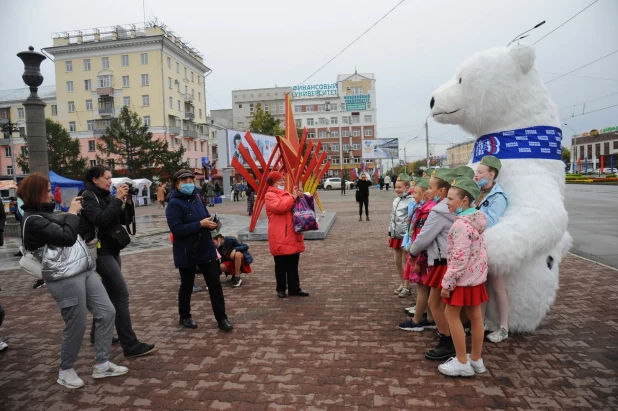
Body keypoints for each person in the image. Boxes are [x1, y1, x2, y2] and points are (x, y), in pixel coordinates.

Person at [19, 173, 128, 389]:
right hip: (62, 277)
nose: (51, 193)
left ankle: (102, 364)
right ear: (35, 193)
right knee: (76, 322)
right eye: (47, 190)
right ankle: (65, 370)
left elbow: (74, 231)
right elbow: (67, 237)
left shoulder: (46, 214)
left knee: (107, 311)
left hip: (82, 269)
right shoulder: (32, 220)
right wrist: (71, 212)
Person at [80, 166, 156, 358]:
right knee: (121, 295)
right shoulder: (88, 196)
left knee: (108, 292)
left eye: (110, 178)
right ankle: (130, 345)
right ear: (95, 179)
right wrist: (116, 199)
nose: (110, 181)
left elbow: (123, 219)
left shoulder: (105, 194)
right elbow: (101, 219)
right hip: (100, 251)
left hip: (112, 248)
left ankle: (97, 334)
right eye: (106, 178)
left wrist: (127, 201)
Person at [166, 169, 232, 331]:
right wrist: (200, 224)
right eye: (185, 182)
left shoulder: (197, 197)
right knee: (187, 285)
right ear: (177, 184)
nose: (189, 184)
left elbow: (206, 215)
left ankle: (222, 319)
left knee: (215, 284)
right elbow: (176, 229)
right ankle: (185, 316)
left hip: (205, 247)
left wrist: (212, 225)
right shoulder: (174, 204)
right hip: (186, 250)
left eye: (191, 181)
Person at [439, 177, 488, 377]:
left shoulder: (461, 225)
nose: (447, 202)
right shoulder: (476, 220)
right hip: (475, 279)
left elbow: (459, 259)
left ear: (465, 201)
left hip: (460, 280)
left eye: (451, 198)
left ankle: (461, 361)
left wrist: (447, 284)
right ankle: (476, 359)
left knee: (451, 315)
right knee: (476, 317)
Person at [408, 168, 458, 361]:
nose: (428, 191)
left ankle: (448, 342)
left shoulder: (438, 211)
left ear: (442, 191)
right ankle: (450, 337)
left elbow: (424, 237)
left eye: (430, 187)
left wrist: (413, 252)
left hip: (441, 261)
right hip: (451, 260)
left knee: (434, 303)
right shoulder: (454, 209)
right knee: (450, 305)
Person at [474, 156, 509, 343]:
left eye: (480, 172)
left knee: (497, 286)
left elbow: (492, 221)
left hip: (492, 247)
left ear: (492, 174)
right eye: (476, 172)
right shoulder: (477, 192)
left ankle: (504, 327)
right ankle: (481, 323)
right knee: (481, 285)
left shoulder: (498, 196)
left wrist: (472, 211)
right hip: (476, 246)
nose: (476, 175)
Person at [400, 178, 438, 331]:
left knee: (423, 289)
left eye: (415, 192)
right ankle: (429, 318)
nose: (412, 194)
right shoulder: (422, 208)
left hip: (422, 257)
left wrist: (416, 257)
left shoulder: (428, 211)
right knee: (426, 289)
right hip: (420, 254)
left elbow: (422, 236)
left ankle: (417, 321)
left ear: (425, 195)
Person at [264, 171, 309, 298]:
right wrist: (293, 197)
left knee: (293, 263)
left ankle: (294, 288)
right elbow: (280, 207)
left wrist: (298, 196)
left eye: (283, 180)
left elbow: (292, 205)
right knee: (281, 264)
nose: (283, 182)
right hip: (280, 235)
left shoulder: (286, 194)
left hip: (292, 233)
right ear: (273, 182)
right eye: (280, 181)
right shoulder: (269, 195)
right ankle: (281, 288)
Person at [388, 174, 414, 297]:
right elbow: (392, 217)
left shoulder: (412, 201)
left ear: (407, 187)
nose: (397, 189)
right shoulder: (396, 200)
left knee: (405, 262)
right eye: (396, 187)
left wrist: (409, 237)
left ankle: (407, 286)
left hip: (404, 236)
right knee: (397, 261)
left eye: (400, 187)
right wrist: (389, 232)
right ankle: (402, 282)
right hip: (395, 235)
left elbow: (411, 220)